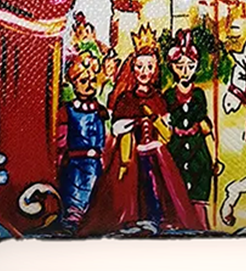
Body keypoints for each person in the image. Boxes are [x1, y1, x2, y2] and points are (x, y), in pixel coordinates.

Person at [80, 26, 203, 235]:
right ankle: (133, 220)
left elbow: (166, 130)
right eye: (140, 66)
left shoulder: (158, 98)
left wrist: (156, 120)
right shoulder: (127, 99)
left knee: (160, 188)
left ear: (155, 69)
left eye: (149, 66)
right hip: (131, 153)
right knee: (132, 188)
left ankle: (159, 221)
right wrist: (134, 122)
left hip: (155, 151)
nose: (144, 72)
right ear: (133, 68)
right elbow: (117, 127)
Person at [164, 30, 214, 226]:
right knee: (177, 188)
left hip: (197, 148)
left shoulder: (199, 94)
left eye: (190, 66)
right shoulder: (169, 95)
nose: (185, 71)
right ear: (172, 67)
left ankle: (200, 226)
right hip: (176, 148)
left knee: (198, 191)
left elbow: (204, 124)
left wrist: (213, 153)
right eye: (180, 66)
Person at [55, 51, 108, 232]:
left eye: (92, 81)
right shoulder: (68, 110)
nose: (88, 85)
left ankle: (89, 217)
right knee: (75, 187)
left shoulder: (99, 110)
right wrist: (61, 155)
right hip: (75, 160)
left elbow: (101, 135)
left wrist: (102, 153)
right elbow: (62, 137)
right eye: (83, 81)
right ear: (74, 83)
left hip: (94, 160)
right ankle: (73, 216)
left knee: (94, 187)